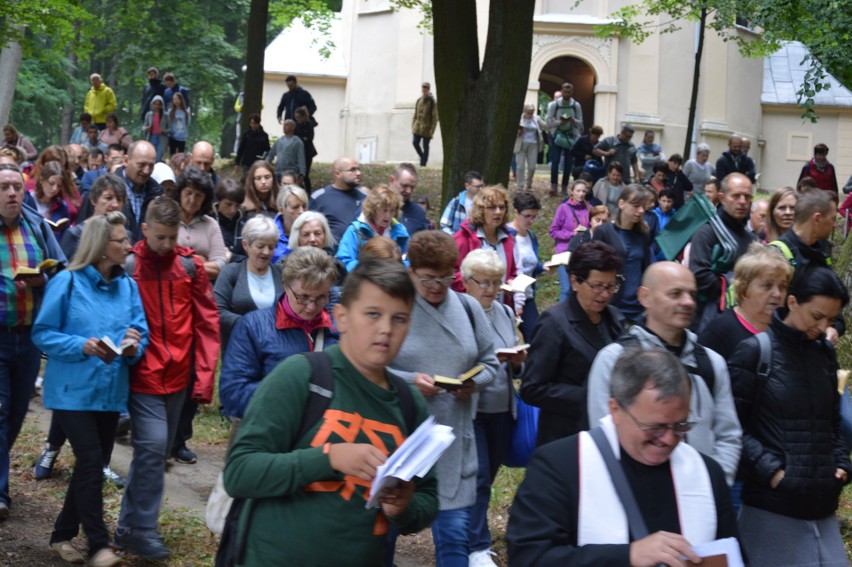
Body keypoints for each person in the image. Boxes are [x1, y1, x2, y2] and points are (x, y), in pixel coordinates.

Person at [223, 259, 437, 565]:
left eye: (399, 318)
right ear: (341, 318)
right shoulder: (301, 376)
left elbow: (428, 497)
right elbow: (240, 473)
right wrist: (329, 458)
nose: (386, 329)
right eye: (373, 314)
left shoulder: (408, 403)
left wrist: (404, 508)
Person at [508, 349, 740, 565]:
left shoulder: (706, 472)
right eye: (655, 428)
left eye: (680, 426)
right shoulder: (559, 466)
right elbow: (529, 557)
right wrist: (629, 556)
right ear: (616, 410)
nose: (669, 439)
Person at [32, 211, 147, 567]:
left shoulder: (128, 286)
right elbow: (43, 333)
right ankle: (99, 545)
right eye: (120, 240)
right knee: (92, 462)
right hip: (70, 391)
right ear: (100, 247)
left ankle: (61, 536)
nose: (128, 245)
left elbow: (139, 333)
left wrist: (132, 345)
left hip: (109, 393)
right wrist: (81, 345)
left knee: (90, 466)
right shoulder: (66, 282)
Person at [114, 197, 219, 560]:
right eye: (160, 237)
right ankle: (143, 530)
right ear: (145, 230)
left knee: (153, 455)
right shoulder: (128, 265)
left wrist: (203, 379)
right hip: (142, 375)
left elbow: (207, 325)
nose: (166, 245)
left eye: (172, 237)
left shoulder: (189, 267)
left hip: (178, 377)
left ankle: (127, 528)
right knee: (153, 447)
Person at [387, 230, 498, 567]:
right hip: (400, 441)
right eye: (427, 279)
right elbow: (368, 368)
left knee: (454, 540)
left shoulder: (467, 307)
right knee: (380, 537)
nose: (437, 285)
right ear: (411, 272)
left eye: (445, 278)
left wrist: (473, 382)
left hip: (453, 441)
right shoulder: (395, 308)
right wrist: (410, 382)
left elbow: (490, 362)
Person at [729, 268, 851, 567]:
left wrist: (840, 463)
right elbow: (733, 428)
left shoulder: (824, 354)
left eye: (830, 319)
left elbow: (833, 419)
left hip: (822, 506)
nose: (823, 327)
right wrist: (773, 472)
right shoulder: (755, 353)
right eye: (816, 316)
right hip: (771, 510)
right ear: (793, 301)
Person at [587, 262, 743, 485]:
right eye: (675, 294)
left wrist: (714, 486)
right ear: (644, 297)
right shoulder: (614, 360)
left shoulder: (711, 363)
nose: (688, 302)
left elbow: (728, 434)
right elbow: (604, 436)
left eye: (692, 294)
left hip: (700, 496)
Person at [0, 163, 67, 522]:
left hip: (29, 338)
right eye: (4, 187)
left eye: (16, 187)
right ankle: (0, 492)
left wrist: (45, 280)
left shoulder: (37, 226)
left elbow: (62, 269)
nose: (12, 193)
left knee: (15, 415)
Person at [520, 241, 625, 445]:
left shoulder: (614, 319)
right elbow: (532, 389)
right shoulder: (555, 322)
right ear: (575, 281)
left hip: (609, 433)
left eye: (611, 286)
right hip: (568, 436)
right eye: (596, 286)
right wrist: (592, 396)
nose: (604, 294)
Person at [219, 245, 339, 420]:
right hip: (275, 433)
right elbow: (233, 394)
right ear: (285, 284)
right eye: (303, 297)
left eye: (321, 297)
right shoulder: (253, 327)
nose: (311, 307)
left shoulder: (339, 329)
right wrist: (292, 394)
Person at [459, 249, 524, 567]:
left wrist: (517, 362)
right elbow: (455, 363)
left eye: (496, 282)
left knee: (488, 477)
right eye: (483, 282)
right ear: (467, 281)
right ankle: (476, 547)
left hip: (502, 408)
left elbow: (514, 366)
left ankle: (467, 535)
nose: (490, 289)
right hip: (472, 410)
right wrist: (486, 363)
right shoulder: (457, 312)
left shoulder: (505, 313)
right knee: (479, 477)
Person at [689, 173, 757, 331]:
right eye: (736, 196)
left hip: (743, 319)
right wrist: (733, 290)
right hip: (708, 319)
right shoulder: (707, 232)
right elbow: (698, 274)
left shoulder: (751, 238)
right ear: (721, 198)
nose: (742, 201)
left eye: (747, 197)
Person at [698, 242, 791, 359]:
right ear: (744, 288)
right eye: (767, 286)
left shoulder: (783, 332)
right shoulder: (718, 332)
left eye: (782, 287)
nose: (777, 294)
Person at [775, 189, 844, 343]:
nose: (834, 226)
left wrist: (834, 327)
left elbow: (832, 299)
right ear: (817, 218)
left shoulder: (821, 252)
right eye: (832, 219)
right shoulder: (778, 254)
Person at [214, 216, 283, 352]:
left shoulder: (282, 273)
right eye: (260, 246)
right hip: (239, 351)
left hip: (275, 350)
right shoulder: (231, 272)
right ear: (246, 245)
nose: (266, 252)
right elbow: (218, 311)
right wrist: (252, 324)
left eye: (271, 247)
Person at [591, 184, 652, 321]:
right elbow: (592, 269)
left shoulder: (643, 235)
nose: (641, 211)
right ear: (621, 203)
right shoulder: (604, 232)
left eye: (643, 207)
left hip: (638, 307)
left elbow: (646, 269)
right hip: (612, 305)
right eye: (636, 206)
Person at [452, 185, 518, 297]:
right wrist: (479, 286)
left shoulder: (507, 239)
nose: (498, 212)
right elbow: (452, 274)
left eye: (501, 207)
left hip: (500, 306)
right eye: (492, 207)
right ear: (481, 210)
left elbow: (511, 272)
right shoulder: (464, 237)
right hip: (470, 305)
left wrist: (511, 282)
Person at [337, 184, 409, 272]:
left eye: (392, 210)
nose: (388, 215)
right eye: (384, 210)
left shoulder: (400, 231)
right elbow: (344, 261)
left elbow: (409, 260)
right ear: (373, 209)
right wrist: (372, 270)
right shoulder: (355, 230)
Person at [176, 166, 228, 281]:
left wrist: (182, 264)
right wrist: (197, 262)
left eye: (198, 195)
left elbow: (219, 267)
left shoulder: (211, 225)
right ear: (180, 192)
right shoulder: (168, 221)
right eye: (188, 193)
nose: (192, 199)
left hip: (203, 292)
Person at [507, 192, 543, 340]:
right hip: (508, 297)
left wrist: (542, 267)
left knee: (536, 337)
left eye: (534, 216)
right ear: (516, 212)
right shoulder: (507, 235)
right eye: (527, 216)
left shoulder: (531, 236)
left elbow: (530, 266)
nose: (531, 220)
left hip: (527, 295)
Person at [309, 156, 368, 245]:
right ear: (337, 174)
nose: (358, 173)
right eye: (352, 170)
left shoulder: (365, 198)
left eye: (358, 169)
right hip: (329, 256)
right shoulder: (319, 197)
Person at [549, 181, 591, 302]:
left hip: (582, 254)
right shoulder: (564, 208)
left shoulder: (589, 209)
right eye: (578, 191)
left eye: (584, 191)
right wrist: (572, 234)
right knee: (566, 289)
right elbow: (553, 231)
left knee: (579, 289)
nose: (581, 194)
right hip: (564, 253)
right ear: (572, 192)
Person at [546, 82, 584, 195]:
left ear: (572, 92)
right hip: (556, 135)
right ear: (562, 91)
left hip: (570, 136)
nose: (567, 94)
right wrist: (560, 122)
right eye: (565, 91)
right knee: (555, 161)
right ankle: (554, 186)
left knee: (568, 162)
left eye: (569, 91)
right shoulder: (554, 105)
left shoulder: (576, 105)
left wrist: (572, 120)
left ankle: (564, 187)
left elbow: (580, 122)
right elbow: (548, 122)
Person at [30, 162, 71, 240]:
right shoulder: (28, 199)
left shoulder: (61, 206)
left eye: (59, 186)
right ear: (42, 179)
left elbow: (65, 233)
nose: (55, 189)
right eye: (51, 183)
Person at [389, 163, 430, 236]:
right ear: (392, 180)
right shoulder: (374, 205)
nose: (409, 191)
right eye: (405, 186)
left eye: (412, 187)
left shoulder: (418, 213)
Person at [513, 104, 546, 190]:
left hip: (533, 144)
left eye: (531, 112)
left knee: (532, 167)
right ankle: (520, 185)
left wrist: (552, 122)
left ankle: (529, 184)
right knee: (520, 166)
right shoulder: (519, 118)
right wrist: (518, 131)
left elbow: (545, 126)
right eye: (528, 113)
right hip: (521, 144)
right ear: (524, 111)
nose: (530, 114)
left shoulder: (536, 118)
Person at [439, 171, 483, 235]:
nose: (481, 189)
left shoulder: (485, 203)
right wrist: (456, 238)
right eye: (477, 187)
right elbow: (444, 225)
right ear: (467, 186)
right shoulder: (456, 202)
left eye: (482, 186)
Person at [273, 184, 308, 263]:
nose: (301, 211)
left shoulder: (313, 233)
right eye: (295, 207)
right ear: (281, 209)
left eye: (304, 206)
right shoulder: (269, 233)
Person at [412, 81, 439, 167]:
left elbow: (435, 117)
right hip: (417, 127)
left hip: (427, 128)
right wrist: (413, 125)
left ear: (428, 89)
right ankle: (423, 158)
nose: (424, 90)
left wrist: (432, 130)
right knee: (415, 142)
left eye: (426, 88)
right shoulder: (419, 100)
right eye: (423, 88)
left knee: (425, 146)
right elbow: (415, 114)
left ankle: (423, 163)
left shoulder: (432, 102)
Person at [292, 106, 317, 193]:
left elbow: (309, 138)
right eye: (296, 117)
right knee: (297, 173)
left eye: (298, 117)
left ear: (303, 116)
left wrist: (301, 139)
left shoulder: (309, 125)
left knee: (305, 174)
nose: (297, 119)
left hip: (307, 152)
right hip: (298, 152)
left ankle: (308, 192)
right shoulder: (297, 126)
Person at [142, 95, 168, 162]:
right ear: (152, 104)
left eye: (159, 104)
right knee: (151, 156)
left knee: (158, 158)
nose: (157, 106)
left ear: (162, 105)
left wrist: (163, 131)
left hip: (161, 139)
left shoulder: (166, 115)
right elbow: (143, 127)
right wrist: (147, 128)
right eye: (155, 104)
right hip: (151, 138)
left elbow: (170, 130)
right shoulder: (148, 115)